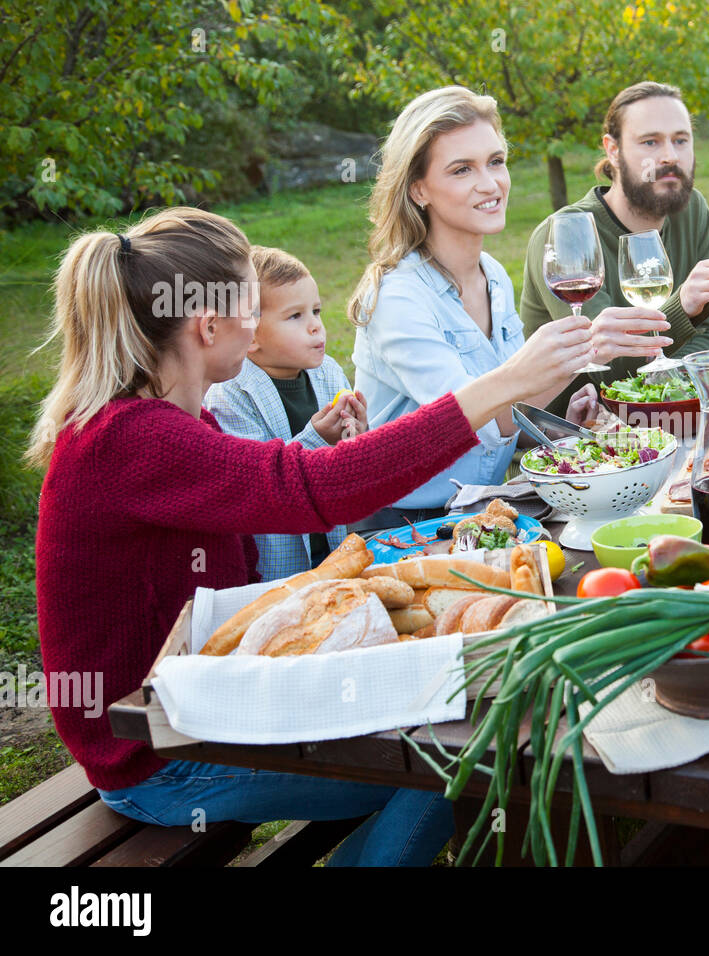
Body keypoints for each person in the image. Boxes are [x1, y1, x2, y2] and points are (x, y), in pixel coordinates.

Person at [30, 206, 594, 866]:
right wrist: (502, 386)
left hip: (201, 707)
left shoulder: (160, 424)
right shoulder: (133, 441)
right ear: (209, 325)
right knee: (466, 758)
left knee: (457, 724)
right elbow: (318, 487)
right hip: (158, 756)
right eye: (252, 301)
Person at [347, 87, 597, 530]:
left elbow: (505, 416)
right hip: (403, 528)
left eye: (496, 161)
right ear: (418, 189)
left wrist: (554, 424)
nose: (491, 183)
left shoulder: (492, 274)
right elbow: (470, 424)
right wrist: (584, 350)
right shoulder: (398, 297)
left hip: (485, 510)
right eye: (462, 169)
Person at [519, 81, 709, 414]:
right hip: (574, 443)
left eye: (681, 140)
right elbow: (604, 369)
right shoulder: (566, 235)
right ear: (612, 150)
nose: (670, 156)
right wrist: (683, 307)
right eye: (650, 142)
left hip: (669, 424)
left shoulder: (692, 210)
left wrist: (660, 379)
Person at [205, 245, 368, 580]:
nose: (315, 327)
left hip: (336, 553)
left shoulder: (328, 373)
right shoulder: (231, 394)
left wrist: (358, 436)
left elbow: (352, 467)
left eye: (316, 311)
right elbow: (259, 482)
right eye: (296, 316)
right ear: (249, 336)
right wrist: (318, 439)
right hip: (277, 572)